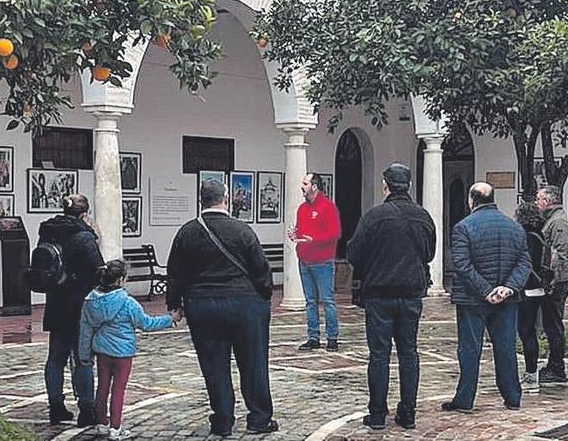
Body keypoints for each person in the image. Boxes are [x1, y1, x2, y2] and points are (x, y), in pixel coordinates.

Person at [166, 179, 278, 436]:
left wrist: (175, 304)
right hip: (245, 304)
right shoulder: (242, 230)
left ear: (201, 200)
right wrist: (264, 295)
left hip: (202, 304)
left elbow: (175, 272)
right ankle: (259, 418)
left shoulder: (187, 232)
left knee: (214, 364)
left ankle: (223, 419)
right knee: (253, 363)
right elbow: (261, 268)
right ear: (226, 198)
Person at [346, 163, 436, 431]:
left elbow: (353, 253)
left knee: (379, 354)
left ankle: (376, 414)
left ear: (386, 185)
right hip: (410, 293)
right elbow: (429, 253)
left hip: (379, 294)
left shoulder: (375, 216)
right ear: (407, 185)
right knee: (409, 353)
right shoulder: (422, 216)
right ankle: (408, 411)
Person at [443, 182, 531, 413]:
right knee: (506, 347)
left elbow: (462, 264)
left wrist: (486, 290)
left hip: (472, 300)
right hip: (506, 299)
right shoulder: (514, 227)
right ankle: (512, 396)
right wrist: (507, 288)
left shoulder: (464, 227)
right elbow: (524, 263)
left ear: (472, 201)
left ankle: (465, 399)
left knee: (470, 349)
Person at [79, 260, 180, 440]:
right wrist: (169, 319)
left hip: (102, 350)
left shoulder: (90, 300)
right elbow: (146, 323)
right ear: (121, 279)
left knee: (102, 388)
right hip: (123, 353)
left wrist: (84, 354)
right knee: (119, 390)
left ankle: (101, 424)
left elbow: (85, 328)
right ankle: (115, 428)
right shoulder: (128, 303)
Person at [37, 194, 104, 427]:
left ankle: (55, 407)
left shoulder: (47, 230)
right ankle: (86, 409)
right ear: (84, 214)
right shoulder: (84, 237)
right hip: (80, 306)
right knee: (83, 358)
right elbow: (99, 271)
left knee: (55, 357)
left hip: (56, 302)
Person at [288, 172, 341, 351]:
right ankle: (313, 337)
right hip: (305, 259)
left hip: (323, 261)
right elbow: (301, 230)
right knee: (310, 301)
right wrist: (295, 236)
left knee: (327, 300)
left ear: (314, 186)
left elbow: (335, 233)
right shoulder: (302, 208)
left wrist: (314, 239)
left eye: (305, 183)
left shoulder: (328, 207)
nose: (302, 186)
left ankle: (332, 337)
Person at [515, 200, 556, 395]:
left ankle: (531, 374)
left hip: (527, 288)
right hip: (539, 287)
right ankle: (532, 372)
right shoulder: (540, 233)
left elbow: (526, 264)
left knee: (526, 332)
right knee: (530, 332)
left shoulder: (525, 236)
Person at [536, 186, 568, 385]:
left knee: (554, 325)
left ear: (548, 201)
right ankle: (554, 365)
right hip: (553, 279)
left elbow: (559, 254)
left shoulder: (558, 221)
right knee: (550, 324)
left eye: (539, 198)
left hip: (557, 281)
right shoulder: (551, 219)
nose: (537, 202)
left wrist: (550, 282)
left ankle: (557, 367)